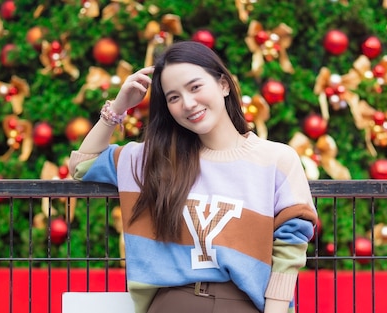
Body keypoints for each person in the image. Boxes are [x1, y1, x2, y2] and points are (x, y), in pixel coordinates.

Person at [69, 41, 318, 313]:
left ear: (223, 85)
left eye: (195, 87)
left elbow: (290, 244)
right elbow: (83, 164)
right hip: (172, 303)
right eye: (173, 97)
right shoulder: (155, 159)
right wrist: (118, 106)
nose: (188, 103)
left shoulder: (276, 159)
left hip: (242, 304)